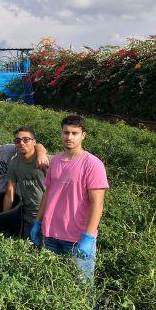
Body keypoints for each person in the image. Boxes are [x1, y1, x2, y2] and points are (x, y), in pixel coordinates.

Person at [32, 115, 108, 284]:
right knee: (54, 283)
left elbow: (97, 203)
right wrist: (38, 222)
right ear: (61, 134)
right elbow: (48, 193)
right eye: (66, 132)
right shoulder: (56, 161)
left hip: (77, 238)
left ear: (83, 135)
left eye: (75, 133)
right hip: (51, 234)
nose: (69, 137)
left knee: (82, 288)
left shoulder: (92, 164)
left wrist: (88, 237)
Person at [2, 127, 51, 239]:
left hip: (50, 217)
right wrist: (4, 217)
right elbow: (10, 192)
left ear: (34, 142)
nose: (21, 143)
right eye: (17, 140)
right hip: (29, 218)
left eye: (26, 139)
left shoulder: (48, 161)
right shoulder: (14, 164)